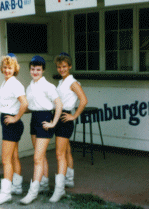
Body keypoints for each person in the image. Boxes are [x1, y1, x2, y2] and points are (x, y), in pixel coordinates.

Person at [20, 55, 63, 205]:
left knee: (37, 158)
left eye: (38, 69)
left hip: (45, 119)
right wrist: (15, 112)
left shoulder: (48, 86)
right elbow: (29, 108)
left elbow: (58, 104)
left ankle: (33, 192)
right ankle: (44, 184)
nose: (35, 72)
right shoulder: (29, 87)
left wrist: (53, 123)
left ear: (43, 70)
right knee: (41, 156)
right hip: (34, 120)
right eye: (32, 69)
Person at [49, 52, 88, 203]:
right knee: (66, 150)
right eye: (59, 67)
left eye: (64, 66)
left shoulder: (72, 82)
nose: (61, 69)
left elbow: (83, 100)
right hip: (58, 116)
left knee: (59, 154)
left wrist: (74, 116)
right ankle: (69, 179)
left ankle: (60, 189)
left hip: (65, 118)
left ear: (70, 66)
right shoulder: (62, 81)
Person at [0, 53, 28, 205]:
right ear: (2, 68)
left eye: (10, 68)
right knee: (13, 157)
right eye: (5, 67)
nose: (7, 70)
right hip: (8, 121)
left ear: (15, 69)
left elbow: (24, 103)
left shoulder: (14, 84)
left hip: (11, 123)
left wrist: (15, 118)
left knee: (5, 159)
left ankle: (5, 193)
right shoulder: (6, 82)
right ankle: (17, 187)